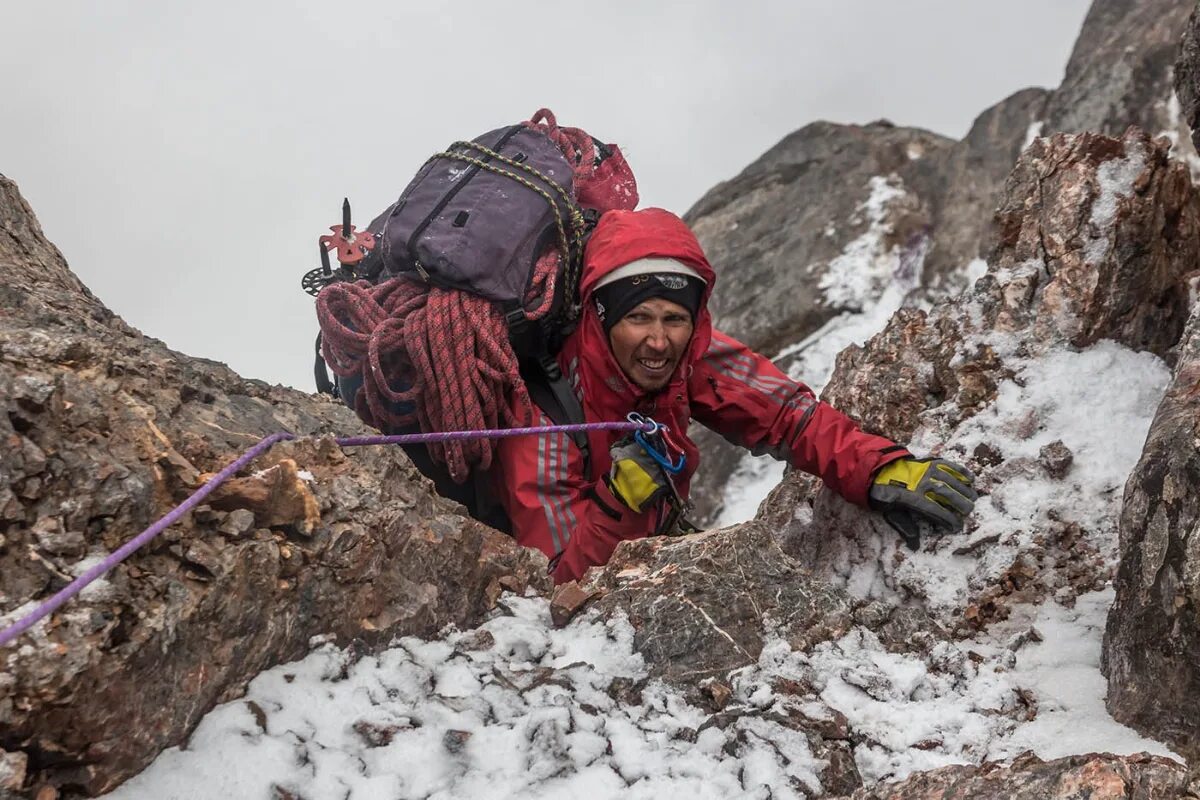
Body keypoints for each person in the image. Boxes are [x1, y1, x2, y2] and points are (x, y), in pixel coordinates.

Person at [489, 207, 975, 583]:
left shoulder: (691, 357)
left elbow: (790, 418)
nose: (658, 341)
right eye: (638, 317)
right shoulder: (543, 414)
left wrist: (876, 466)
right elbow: (554, 579)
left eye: (674, 318)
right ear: (600, 316)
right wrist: (621, 503)